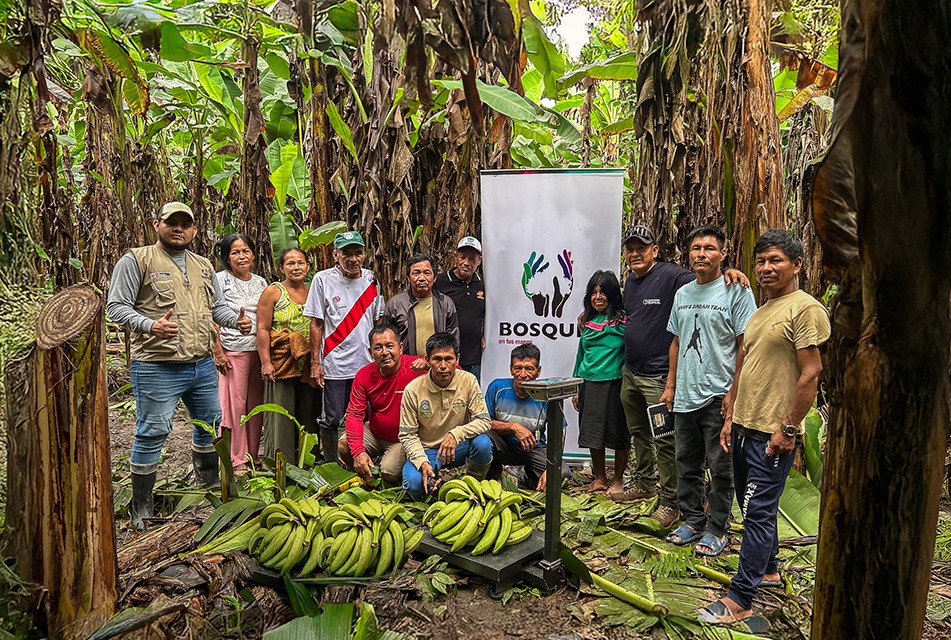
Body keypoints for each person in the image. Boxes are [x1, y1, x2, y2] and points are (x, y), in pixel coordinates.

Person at [700, 230, 829, 624]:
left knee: (756, 513)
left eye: (776, 260)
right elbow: (744, 363)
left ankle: (741, 598)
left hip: (773, 431)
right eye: (761, 261)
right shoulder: (758, 312)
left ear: (797, 265)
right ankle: (769, 569)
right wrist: (730, 413)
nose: (766, 268)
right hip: (743, 425)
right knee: (752, 506)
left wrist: (788, 430)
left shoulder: (804, 309)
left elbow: (812, 373)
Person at [106, 201, 252, 529]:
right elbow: (115, 307)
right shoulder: (137, 259)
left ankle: (209, 488)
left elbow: (215, 310)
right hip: (158, 366)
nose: (178, 229)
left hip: (200, 365)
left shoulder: (202, 265)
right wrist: (150, 325)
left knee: (210, 426)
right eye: (172, 222)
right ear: (157, 224)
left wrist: (236, 322)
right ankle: (141, 507)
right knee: (153, 431)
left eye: (185, 224)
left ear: (194, 230)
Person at [618, 224, 749, 526]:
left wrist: (731, 270)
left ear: (655, 251)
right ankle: (673, 505)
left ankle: (701, 517)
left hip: (694, 386)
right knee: (666, 448)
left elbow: (744, 344)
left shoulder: (673, 276)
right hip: (658, 381)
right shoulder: (650, 285)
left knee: (701, 457)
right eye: (631, 249)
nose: (636, 253)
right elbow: (676, 338)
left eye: (642, 248)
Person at [661, 225, 757, 556]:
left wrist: (733, 394)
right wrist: (671, 384)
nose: (702, 254)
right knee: (685, 462)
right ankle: (692, 520)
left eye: (710, 248)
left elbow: (745, 346)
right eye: (696, 248)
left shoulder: (737, 292)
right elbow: (675, 341)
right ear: (688, 254)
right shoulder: (683, 294)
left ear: (723, 254)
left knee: (720, 467)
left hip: (718, 395)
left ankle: (718, 528)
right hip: (685, 396)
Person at [304, 231, 384, 462]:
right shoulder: (322, 279)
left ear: (364, 255)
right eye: (346, 253)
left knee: (367, 414)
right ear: (335, 255)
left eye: (358, 253)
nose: (353, 259)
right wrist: (316, 363)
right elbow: (316, 324)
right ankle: (330, 462)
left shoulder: (372, 280)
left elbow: (377, 322)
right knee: (333, 416)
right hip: (336, 364)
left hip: (366, 364)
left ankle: (367, 461)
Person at [399, 332, 493, 496]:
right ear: (427, 361)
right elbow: (407, 435)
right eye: (437, 359)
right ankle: (432, 485)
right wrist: (422, 462)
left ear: (457, 359)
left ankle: (472, 486)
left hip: (459, 446)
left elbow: (484, 421)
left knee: (483, 444)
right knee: (413, 485)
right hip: (428, 450)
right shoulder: (412, 390)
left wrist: (456, 434)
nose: (443, 365)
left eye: (448, 359)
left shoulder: (469, 381)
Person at [338, 325, 428, 483]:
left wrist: (430, 365)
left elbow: (454, 370)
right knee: (344, 447)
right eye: (378, 348)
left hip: (404, 438)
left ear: (400, 348)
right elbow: (354, 415)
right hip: (375, 432)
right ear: (371, 353)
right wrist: (358, 451)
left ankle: (384, 477)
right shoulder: (364, 375)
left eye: (389, 346)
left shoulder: (416, 367)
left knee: (389, 471)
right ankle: (364, 478)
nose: (385, 352)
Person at [257, 248, 322, 462]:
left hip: (306, 362)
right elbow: (263, 329)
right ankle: (279, 463)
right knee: (281, 415)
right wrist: (266, 363)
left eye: (301, 263)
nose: (296, 268)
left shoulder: (313, 290)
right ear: (281, 267)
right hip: (282, 361)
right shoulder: (273, 292)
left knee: (308, 413)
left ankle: (306, 462)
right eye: (291, 263)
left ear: (308, 266)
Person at [212, 233, 268, 473]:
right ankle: (236, 459)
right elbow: (212, 316)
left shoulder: (261, 282)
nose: (241, 256)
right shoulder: (219, 280)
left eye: (245, 251)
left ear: (253, 254)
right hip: (232, 351)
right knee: (234, 406)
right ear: (227, 257)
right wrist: (217, 351)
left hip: (258, 352)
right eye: (235, 252)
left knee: (255, 405)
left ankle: (252, 455)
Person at [572, 270, 630, 498]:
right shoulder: (586, 321)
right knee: (593, 433)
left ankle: (617, 479)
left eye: (603, 292)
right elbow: (580, 354)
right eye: (594, 292)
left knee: (619, 434)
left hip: (616, 383)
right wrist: (578, 384)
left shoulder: (624, 320)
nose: (598, 297)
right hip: (589, 383)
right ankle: (599, 478)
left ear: (613, 295)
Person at [484, 344, 560, 491]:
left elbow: (559, 434)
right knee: (482, 439)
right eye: (518, 368)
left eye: (529, 369)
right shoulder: (497, 387)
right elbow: (484, 423)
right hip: (503, 446)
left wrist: (552, 468)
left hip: (533, 448)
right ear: (511, 369)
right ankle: (490, 476)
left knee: (561, 472)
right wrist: (514, 427)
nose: (523, 374)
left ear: (538, 371)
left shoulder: (547, 394)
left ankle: (527, 475)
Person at [384, 253, 459, 357]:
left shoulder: (445, 303)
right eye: (416, 273)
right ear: (408, 278)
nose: (422, 278)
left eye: (427, 273)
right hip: (406, 366)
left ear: (435, 277)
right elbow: (387, 340)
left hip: (437, 367)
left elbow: (453, 339)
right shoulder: (395, 304)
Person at [434, 236, 485, 381]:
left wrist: (485, 333)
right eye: (462, 257)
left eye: (472, 259)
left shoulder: (483, 283)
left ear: (479, 261)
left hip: (475, 357)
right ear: (455, 257)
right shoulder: (441, 282)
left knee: (471, 396)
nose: (466, 263)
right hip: (446, 357)